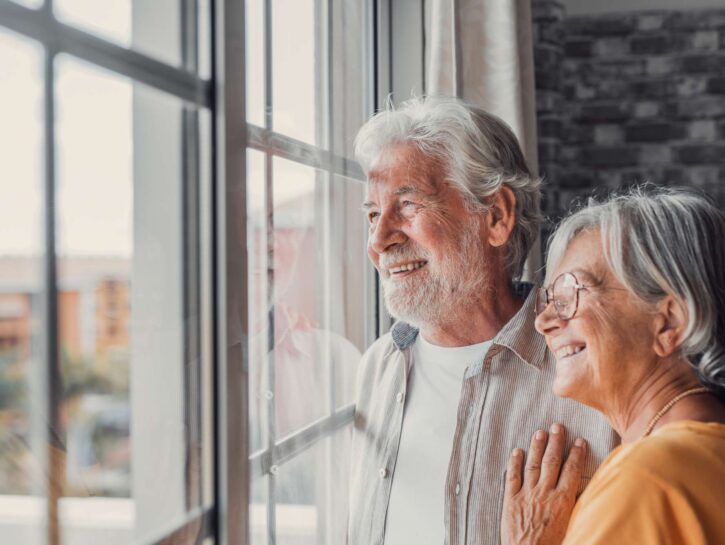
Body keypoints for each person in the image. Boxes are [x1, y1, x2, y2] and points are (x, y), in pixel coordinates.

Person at [347, 95, 618, 545]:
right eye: (373, 214)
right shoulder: (377, 366)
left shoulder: (592, 373)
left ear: (496, 216)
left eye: (407, 205)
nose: (379, 240)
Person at [500, 186, 725, 545]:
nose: (543, 322)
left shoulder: (645, 481)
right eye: (549, 300)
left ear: (668, 322)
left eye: (569, 294)